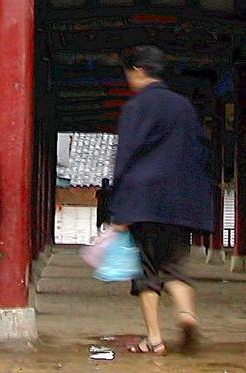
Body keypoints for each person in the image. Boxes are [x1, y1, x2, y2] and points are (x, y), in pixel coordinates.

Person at [111, 45, 212, 355]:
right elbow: (200, 152)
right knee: (174, 264)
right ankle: (186, 314)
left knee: (147, 271)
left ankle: (154, 338)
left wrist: (119, 209)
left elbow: (126, 155)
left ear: (138, 70)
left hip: (144, 201)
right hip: (182, 201)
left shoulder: (136, 107)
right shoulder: (184, 107)